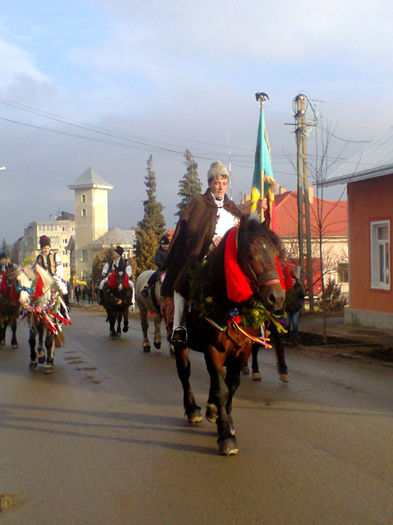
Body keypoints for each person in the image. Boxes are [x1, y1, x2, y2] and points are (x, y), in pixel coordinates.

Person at [161, 160, 243, 345]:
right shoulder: (199, 202)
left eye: (224, 183)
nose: (220, 186)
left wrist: (260, 210)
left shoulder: (231, 206)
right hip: (203, 254)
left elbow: (244, 227)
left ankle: (250, 324)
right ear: (209, 184)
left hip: (228, 256)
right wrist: (207, 240)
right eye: (216, 182)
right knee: (182, 285)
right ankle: (178, 327)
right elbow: (189, 228)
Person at [36, 236, 69, 304]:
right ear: (41, 248)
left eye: (48, 248)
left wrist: (56, 276)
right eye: (44, 248)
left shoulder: (55, 255)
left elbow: (59, 267)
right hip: (43, 279)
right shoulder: (39, 257)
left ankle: (66, 305)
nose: (46, 250)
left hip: (54, 277)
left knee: (62, 288)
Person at [285, 271, 305, 344]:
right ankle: (287, 337)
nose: (292, 281)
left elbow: (302, 298)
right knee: (287, 324)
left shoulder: (298, 288)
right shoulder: (287, 288)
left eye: (293, 280)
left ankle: (295, 338)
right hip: (288, 309)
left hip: (295, 309)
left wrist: (299, 305)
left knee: (295, 324)